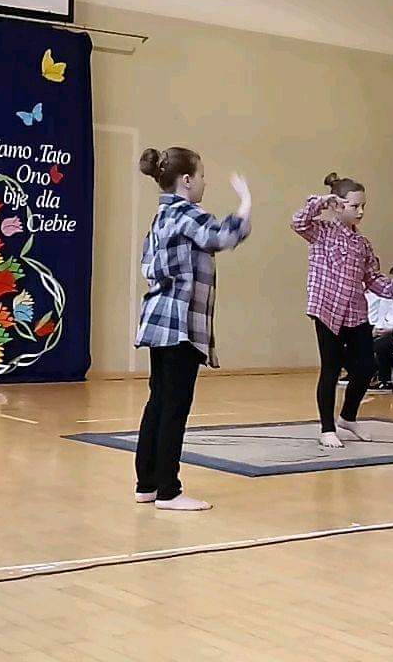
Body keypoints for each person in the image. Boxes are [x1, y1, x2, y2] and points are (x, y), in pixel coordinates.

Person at [133, 147, 251, 511]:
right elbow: (222, 236)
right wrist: (245, 203)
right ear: (186, 180)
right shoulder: (185, 213)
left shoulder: (161, 216)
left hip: (159, 320)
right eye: (201, 176)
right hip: (179, 323)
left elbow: (148, 264)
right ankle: (168, 490)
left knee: (159, 401)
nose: (204, 183)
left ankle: (147, 483)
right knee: (174, 406)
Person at [293, 172, 393, 449]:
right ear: (338, 205)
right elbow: (298, 222)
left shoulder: (362, 243)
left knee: (366, 366)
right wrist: (321, 201)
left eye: (363, 206)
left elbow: (372, 278)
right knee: (330, 369)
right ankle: (326, 428)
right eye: (355, 206)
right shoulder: (322, 232)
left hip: (355, 312)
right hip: (327, 310)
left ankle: (348, 417)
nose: (361, 211)